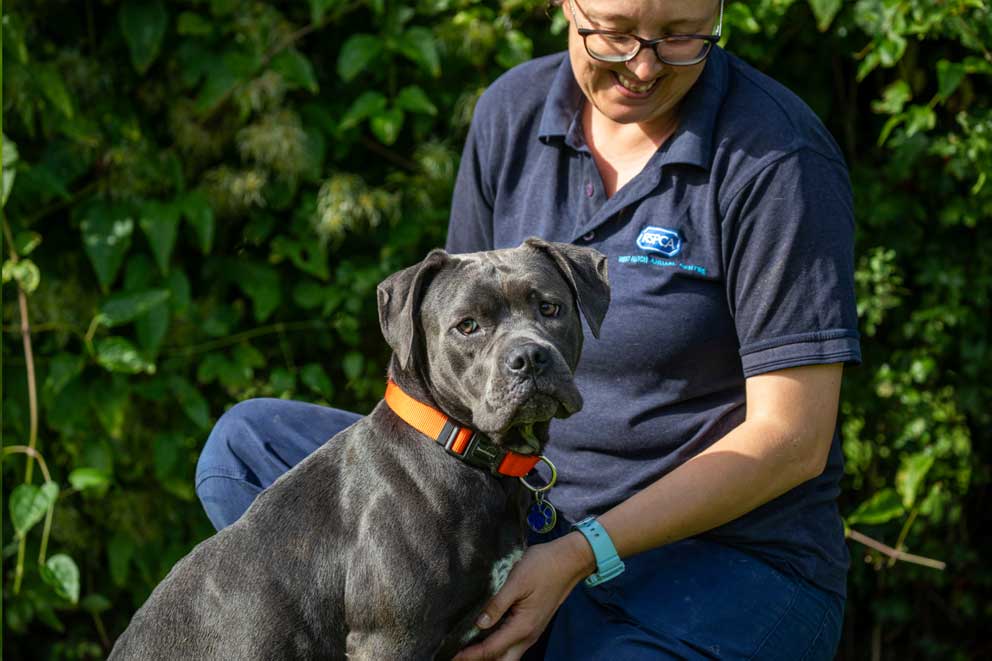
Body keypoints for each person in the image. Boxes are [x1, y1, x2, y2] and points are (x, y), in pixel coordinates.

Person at [195, 0, 862, 658]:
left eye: (682, 38)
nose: (643, 66)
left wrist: (580, 554)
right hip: (521, 506)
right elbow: (444, 352)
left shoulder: (777, 157)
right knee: (245, 446)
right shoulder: (513, 112)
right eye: (614, 35)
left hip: (715, 561)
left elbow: (793, 438)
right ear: (565, 5)